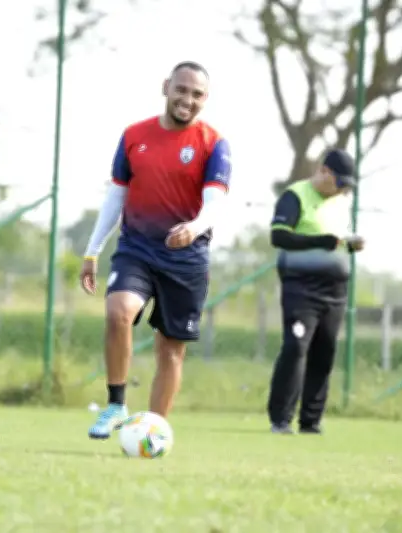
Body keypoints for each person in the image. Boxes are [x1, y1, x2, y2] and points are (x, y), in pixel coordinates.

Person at [80, 61, 231, 440]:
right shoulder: (134, 136)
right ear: (166, 87)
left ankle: (153, 429)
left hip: (187, 258)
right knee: (118, 312)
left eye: (197, 94)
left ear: (205, 99)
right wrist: (92, 250)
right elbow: (116, 196)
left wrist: (193, 228)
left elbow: (214, 204)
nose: (187, 99)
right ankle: (116, 404)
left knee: (170, 350)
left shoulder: (214, 143)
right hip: (137, 249)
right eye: (181, 89)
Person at [266, 149, 364, 435]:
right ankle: (280, 419)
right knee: (296, 347)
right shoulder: (295, 195)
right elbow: (279, 235)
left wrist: (349, 244)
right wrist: (323, 241)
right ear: (324, 171)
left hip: (335, 290)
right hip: (301, 287)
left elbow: (336, 241)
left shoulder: (340, 203)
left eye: (347, 185)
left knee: (325, 352)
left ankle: (310, 421)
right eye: (339, 182)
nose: (343, 189)